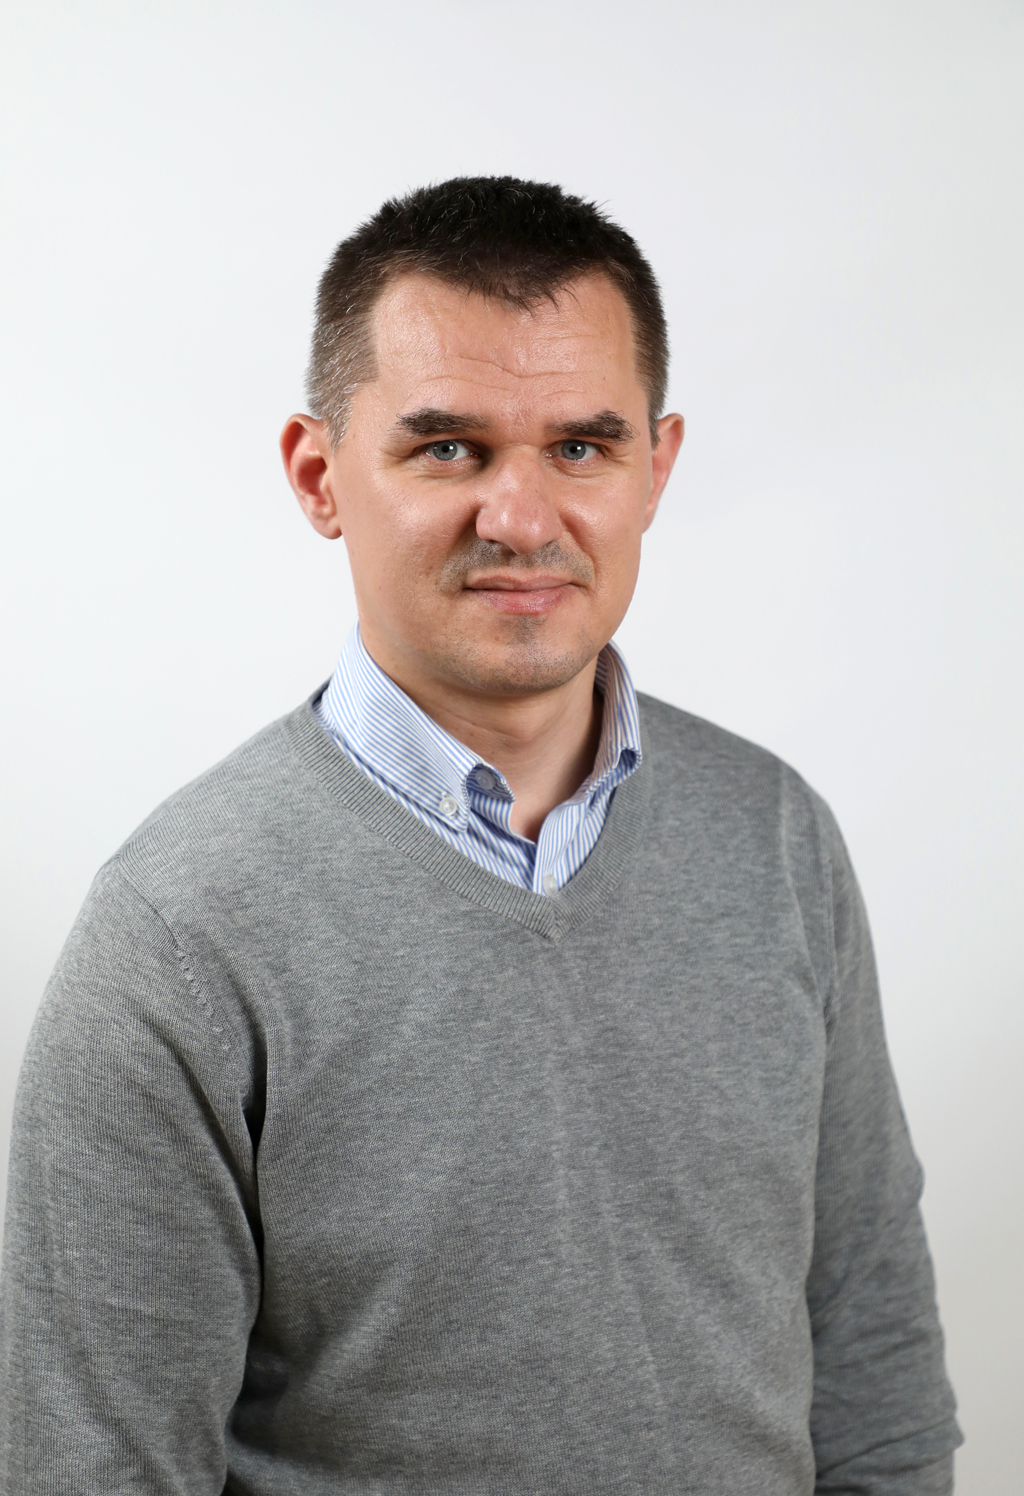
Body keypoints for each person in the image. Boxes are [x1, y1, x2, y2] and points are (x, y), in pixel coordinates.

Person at [0, 176, 960, 1494]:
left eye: (582, 448)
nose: (520, 517)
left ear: (656, 469)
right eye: (449, 448)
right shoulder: (178, 934)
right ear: (319, 475)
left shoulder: (777, 839)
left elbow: (873, 1369)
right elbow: (92, 1468)